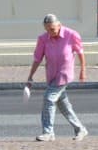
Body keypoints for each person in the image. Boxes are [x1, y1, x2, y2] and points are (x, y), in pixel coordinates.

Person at [24, 13, 87, 141]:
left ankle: (48, 132)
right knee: (64, 105)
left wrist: (83, 70)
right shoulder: (43, 39)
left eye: (52, 29)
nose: (50, 32)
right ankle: (80, 129)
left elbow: (80, 53)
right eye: (47, 29)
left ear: (59, 25)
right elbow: (37, 59)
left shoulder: (71, 35)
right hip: (51, 74)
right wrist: (30, 76)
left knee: (49, 99)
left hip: (64, 74)